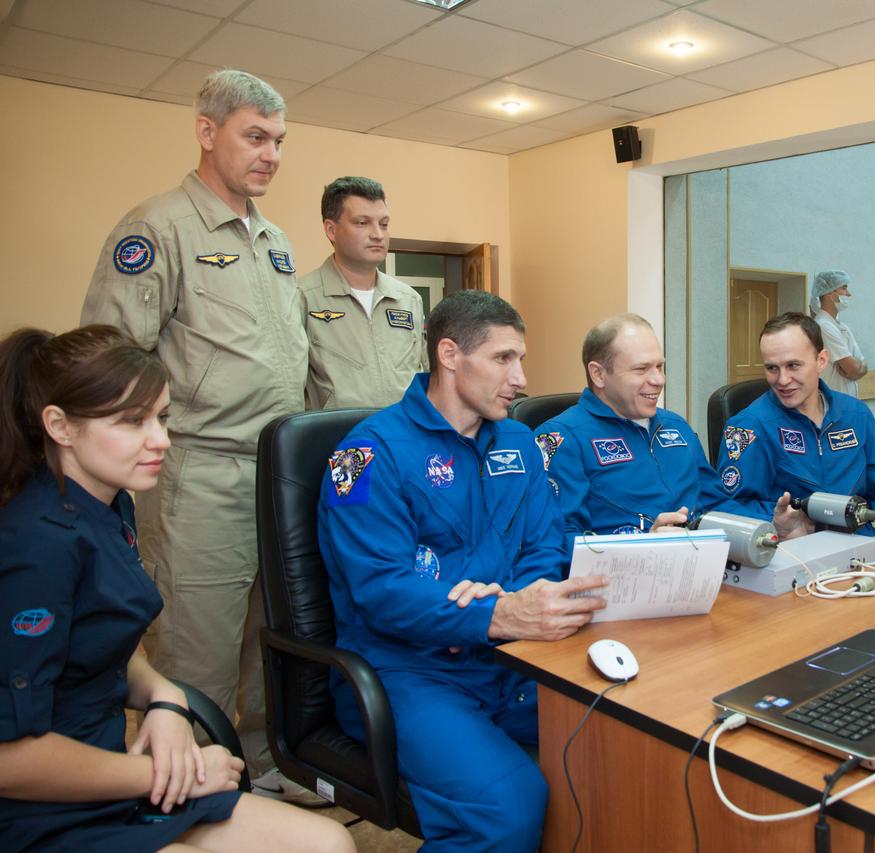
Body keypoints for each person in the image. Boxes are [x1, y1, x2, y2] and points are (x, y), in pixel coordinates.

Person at [0, 325, 352, 853]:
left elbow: (105, 641)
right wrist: (171, 772)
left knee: (329, 844)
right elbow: (11, 761)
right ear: (60, 426)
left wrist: (164, 699)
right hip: (44, 809)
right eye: (131, 422)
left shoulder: (109, 503)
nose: (161, 439)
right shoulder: (36, 547)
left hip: (115, 779)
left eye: (161, 418)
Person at [79, 69, 314, 803]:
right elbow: (112, 357)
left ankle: (254, 770)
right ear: (207, 132)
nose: (271, 154)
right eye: (255, 136)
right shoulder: (158, 228)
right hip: (199, 473)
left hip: (271, 474)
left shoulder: (274, 239)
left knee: (260, 639)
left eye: (278, 140)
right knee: (196, 644)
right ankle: (193, 792)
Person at [316, 291, 608, 851]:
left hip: (511, 659)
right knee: (509, 808)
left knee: (620, 748)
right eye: (503, 359)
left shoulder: (519, 443)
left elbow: (543, 548)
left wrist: (509, 604)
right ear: (449, 354)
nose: (521, 378)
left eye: (520, 359)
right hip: (406, 672)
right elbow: (381, 590)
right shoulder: (369, 454)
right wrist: (490, 613)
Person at [538, 314, 753, 543]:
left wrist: (769, 527)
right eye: (641, 369)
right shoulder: (561, 439)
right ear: (598, 374)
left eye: (660, 366)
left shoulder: (677, 427)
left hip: (699, 566)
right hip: (619, 575)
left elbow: (716, 504)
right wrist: (643, 547)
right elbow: (558, 541)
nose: (659, 380)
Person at [715, 312, 875, 540]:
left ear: (821, 360)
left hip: (862, 545)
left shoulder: (855, 415)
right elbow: (729, 507)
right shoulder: (749, 427)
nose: (782, 379)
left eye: (793, 365)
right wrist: (779, 520)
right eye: (772, 368)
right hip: (794, 552)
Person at [300, 176, 424, 409]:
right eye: (362, 223)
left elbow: (423, 375)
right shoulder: (302, 297)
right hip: (337, 439)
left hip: (400, 438)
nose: (377, 234)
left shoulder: (408, 300)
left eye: (384, 224)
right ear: (331, 230)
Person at [810, 270, 867, 398]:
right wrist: (857, 368)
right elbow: (853, 368)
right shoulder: (823, 326)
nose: (849, 294)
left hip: (846, 401)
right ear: (830, 293)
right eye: (844, 288)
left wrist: (860, 368)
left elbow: (862, 365)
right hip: (832, 404)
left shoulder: (842, 327)